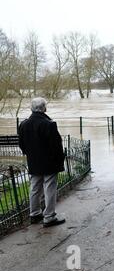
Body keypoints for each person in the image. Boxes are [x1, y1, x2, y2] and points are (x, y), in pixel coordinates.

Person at [18, 98, 66, 228]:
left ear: (31, 108)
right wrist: (60, 160)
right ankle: (49, 217)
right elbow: (56, 146)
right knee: (49, 189)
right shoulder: (49, 124)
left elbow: (21, 145)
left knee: (34, 188)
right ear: (44, 108)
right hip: (49, 163)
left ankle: (34, 214)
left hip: (33, 162)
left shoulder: (23, 124)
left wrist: (32, 155)